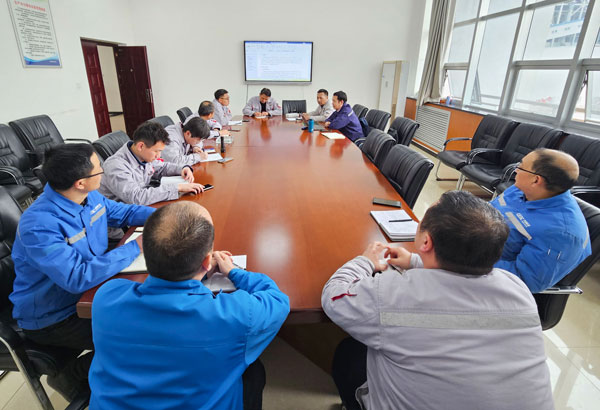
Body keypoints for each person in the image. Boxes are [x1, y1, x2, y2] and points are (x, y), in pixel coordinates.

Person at [322, 191, 554, 410]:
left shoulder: (394, 294)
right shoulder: (517, 288)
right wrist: (416, 261)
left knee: (349, 353)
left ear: (426, 242)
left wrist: (366, 261)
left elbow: (334, 295)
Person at [89, 202, 290, 409]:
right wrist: (233, 271)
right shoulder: (235, 316)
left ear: (146, 254)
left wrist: (196, 273)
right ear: (207, 261)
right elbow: (277, 299)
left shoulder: (106, 297)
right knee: (254, 371)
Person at [9, 144, 155, 401]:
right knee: (142, 336)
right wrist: (135, 247)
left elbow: (125, 213)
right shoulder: (39, 224)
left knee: (152, 314)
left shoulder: (89, 197)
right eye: (99, 170)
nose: (103, 173)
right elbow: (77, 277)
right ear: (80, 182)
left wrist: (167, 216)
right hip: (55, 317)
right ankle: (72, 376)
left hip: (91, 292)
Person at [491, 148, 591, 293]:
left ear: (536, 180)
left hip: (493, 278)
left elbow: (523, 280)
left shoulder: (561, 234)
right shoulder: (521, 190)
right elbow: (488, 210)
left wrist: (468, 261)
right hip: (478, 244)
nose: (516, 170)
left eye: (521, 166)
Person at [99, 121, 205, 206]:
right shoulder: (116, 166)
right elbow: (136, 198)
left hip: (144, 204)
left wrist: (183, 168)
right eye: (156, 151)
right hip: (122, 218)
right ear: (141, 146)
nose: (159, 156)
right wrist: (177, 188)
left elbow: (162, 167)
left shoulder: (142, 154)